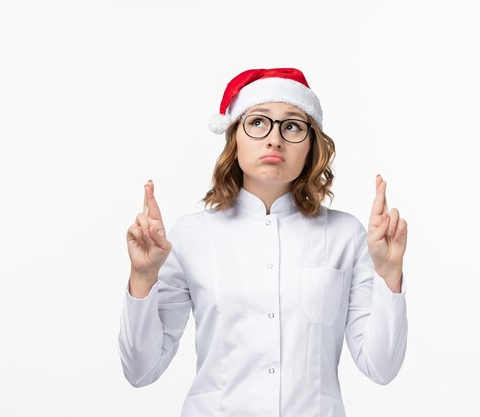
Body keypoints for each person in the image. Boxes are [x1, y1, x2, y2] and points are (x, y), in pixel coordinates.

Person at [118, 68, 408, 417]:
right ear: (234, 137)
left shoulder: (346, 235)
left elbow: (381, 367)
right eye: (258, 122)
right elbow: (140, 370)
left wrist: (389, 275)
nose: (275, 139)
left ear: (311, 146)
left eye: (292, 126)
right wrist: (143, 279)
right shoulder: (191, 236)